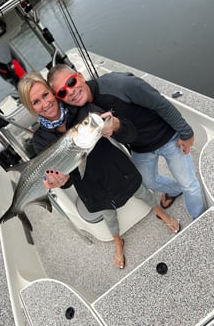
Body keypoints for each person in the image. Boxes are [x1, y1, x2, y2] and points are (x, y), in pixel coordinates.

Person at [18, 71, 180, 269]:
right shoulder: (40, 140)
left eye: (46, 95)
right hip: (91, 187)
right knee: (108, 217)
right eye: (36, 102)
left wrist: (117, 125)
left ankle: (160, 212)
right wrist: (61, 181)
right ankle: (118, 241)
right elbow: (66, 178)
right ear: (31, 107)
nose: (45, 103)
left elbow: (130, 134)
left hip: (118, 169)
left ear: (53, 93)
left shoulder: (83, 110)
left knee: (143, 193)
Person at [47, 64, 205, 220]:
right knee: (148, 181)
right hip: (139, 148)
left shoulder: (121, 84)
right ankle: (174, 190)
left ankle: (199, 219)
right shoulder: (80, 112)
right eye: (62, 92)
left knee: (189, 185)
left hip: (169, 137)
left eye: (71, 82)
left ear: (80, 76)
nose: (70, 91)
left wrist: (186, 133)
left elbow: (161, 103)